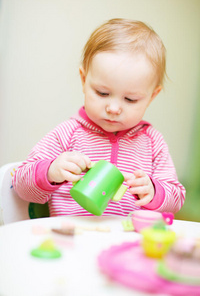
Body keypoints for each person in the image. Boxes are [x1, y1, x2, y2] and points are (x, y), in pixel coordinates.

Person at [13, 18, 185, 217]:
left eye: (130, 99)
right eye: (102, 93)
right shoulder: (67, 134)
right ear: (84, 80)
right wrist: (51, 171)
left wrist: (154, 192)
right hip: (72, 237)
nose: (113, 108)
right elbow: (20, 185)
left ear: (152, 96)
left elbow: (177, 198)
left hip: (128, 240)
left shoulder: (153, 143)